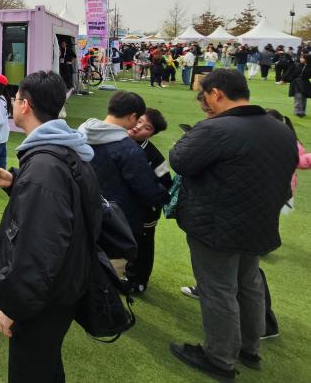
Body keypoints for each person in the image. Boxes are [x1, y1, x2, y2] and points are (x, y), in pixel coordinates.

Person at [168, 69, 297, 380]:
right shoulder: (279, 129)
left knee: (218, 289)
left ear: (216, 93)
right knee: (248, 284)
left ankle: (219, 358)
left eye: (205, 96)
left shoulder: (217, 128)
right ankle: (249, 348)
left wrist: (195, 133)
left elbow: (180, 159)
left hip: (216, 224)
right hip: (259, 222)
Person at [0, 71, 100, 383]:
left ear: (25, 105)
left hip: (46, 298)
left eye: (16, 98)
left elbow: (38, 248)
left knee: (31, 369)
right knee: (45, 365)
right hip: (66, 285)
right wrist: (16, 182)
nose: (13, 103)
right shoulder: (65, 149)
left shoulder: (44, 168)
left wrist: (12, 306)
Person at [78, 91, 168, 272]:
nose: (137, 126)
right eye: (138, 120)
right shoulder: (129, 150)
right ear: (133, 117)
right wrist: (166, 196)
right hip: (113, 223)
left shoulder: (79, 133)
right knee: (105, 274)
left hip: (80, 213)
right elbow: (149, 190)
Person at [124, 108, 173, 293]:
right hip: (121, 205)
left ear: (152, 134)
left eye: (147, 127)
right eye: (139, 121)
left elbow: (166, 183)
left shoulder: (154, 157)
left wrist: (146, 195)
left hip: (145, 209)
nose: (139, 127)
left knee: (142, 244)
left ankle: (138, 280)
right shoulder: (117, 140)